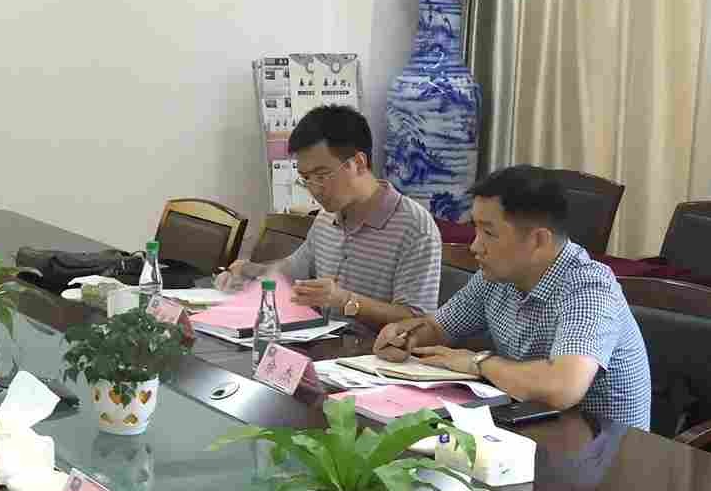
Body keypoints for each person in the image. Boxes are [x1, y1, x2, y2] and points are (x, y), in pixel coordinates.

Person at [374, 165, 652, 430]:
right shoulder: (497, 276)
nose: (475, 246)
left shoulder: (589, 287)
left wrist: (478, 363)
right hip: (532, 428)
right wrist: (404, 336)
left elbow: (562, 387)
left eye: (488, 233)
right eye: (475, 229)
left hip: (605, 449)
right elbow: (439, 327)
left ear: (538, 241)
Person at [216, 105, 441, 327]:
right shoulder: (326, 218)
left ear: (358, 163)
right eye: (306, 178)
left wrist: (346, 301)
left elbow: (418, 321)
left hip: (373, 350)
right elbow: (292, 271)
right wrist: (248, 271)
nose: (314, 189)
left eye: (322, 175)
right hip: (323, 344)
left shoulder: (415, 227)